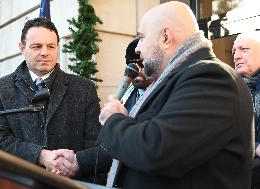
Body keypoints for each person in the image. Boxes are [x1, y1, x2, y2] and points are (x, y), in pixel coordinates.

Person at [95, 1, 254, 189]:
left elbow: (158, 150)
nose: (137, 48)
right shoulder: (181, 78)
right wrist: (77, 160)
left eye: (141, 37)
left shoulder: (211, 78)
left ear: (165, 37)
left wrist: (115, 119)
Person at [0, 17, 101, 179]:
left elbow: (95, 143)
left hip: (71, 183)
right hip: (18, 182)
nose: (45, 52)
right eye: (37, 46)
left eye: (51, 46)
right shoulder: (0, 88)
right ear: (22, 48)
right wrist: (40, 155)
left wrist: (76, 163)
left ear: (58, 48)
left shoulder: (84, 88)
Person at [232, 30, 260, 189]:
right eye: (235, 51)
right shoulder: (228, 91)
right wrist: (255, 146)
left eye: (244, 49)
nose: (236, 56)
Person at [121, 38, 153, 112]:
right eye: (132, 64)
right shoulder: (126, 94)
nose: (136, 69)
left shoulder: (166, 96)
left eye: (141, 63)